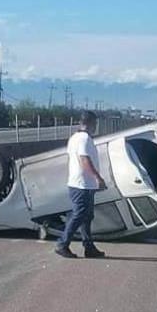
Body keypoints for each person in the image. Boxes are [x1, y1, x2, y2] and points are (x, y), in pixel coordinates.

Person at [55, 111, 107, 259]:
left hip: (83, 184)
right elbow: (84, 160)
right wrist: (98, 178)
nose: (96, 127)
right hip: (82, 184)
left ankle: (89, 247)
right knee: (79, 215)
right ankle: (62, 244)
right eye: (95, 124)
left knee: (86, 216)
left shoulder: (75, 138)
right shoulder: (84, 139)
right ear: (91, 123)